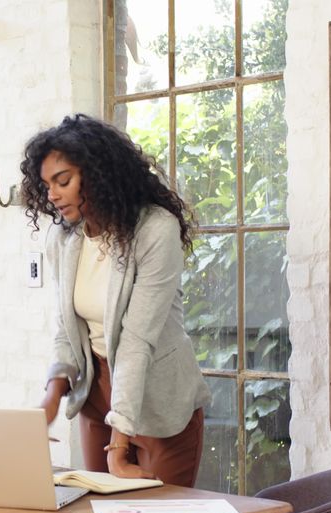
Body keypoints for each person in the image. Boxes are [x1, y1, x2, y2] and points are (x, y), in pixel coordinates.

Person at [19, 114, 211, 487]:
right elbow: (67, 328)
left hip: (159, 403)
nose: (52, 195)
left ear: (98, 173)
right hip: (98, 398)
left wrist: (119, 448)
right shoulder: (63, 239)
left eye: (63, 181)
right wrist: (51, 399)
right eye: (46, 185)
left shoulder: (155, 230)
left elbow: (137, 339)